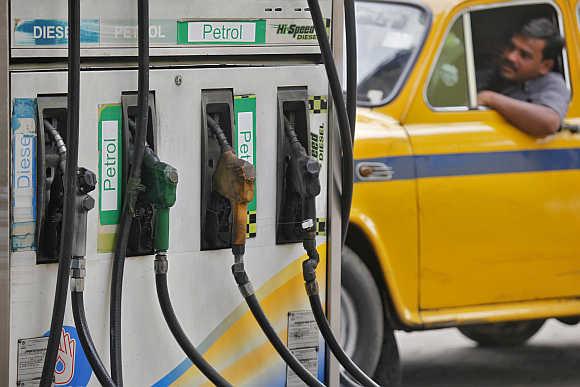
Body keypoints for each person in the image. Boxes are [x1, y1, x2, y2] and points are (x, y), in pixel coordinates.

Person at [477, 18, 570, 137]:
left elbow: (549, 123)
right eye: (511, 47)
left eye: (524, 55)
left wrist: (490, 98)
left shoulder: (551, 84)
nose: (511, 57)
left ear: (545, 66)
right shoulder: (492, 74)